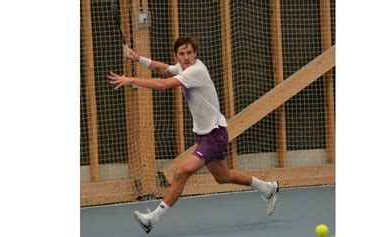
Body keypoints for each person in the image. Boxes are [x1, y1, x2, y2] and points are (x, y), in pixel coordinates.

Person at [108, 36, 279, 234]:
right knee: (223, 176)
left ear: (195, 53)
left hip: (214, 135)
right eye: (182, 54)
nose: (186, 57)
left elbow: (163, 85)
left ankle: (152, 219)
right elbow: (163, 69)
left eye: (190, 53)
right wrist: (137, 58)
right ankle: (268, 188)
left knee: (181, 172)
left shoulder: (197, 70)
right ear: (177, 55)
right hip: (206, 134)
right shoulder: (183, 68)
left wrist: (131, 79)